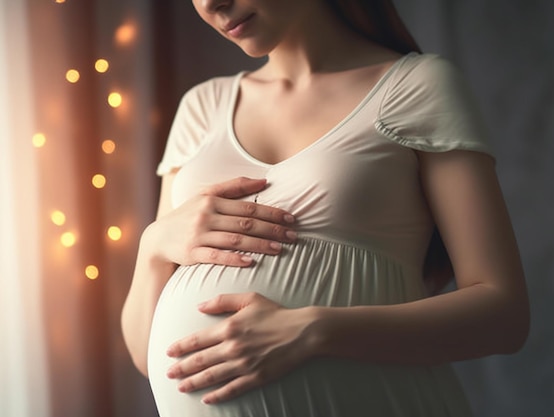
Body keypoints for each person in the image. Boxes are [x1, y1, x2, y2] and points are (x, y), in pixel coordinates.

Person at [121, 0, 530, 415]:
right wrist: (153, 245)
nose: (211, 3)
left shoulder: (416, 85)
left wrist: (315, 329)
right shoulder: (201, 108)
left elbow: (504, 315)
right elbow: (145, 355)